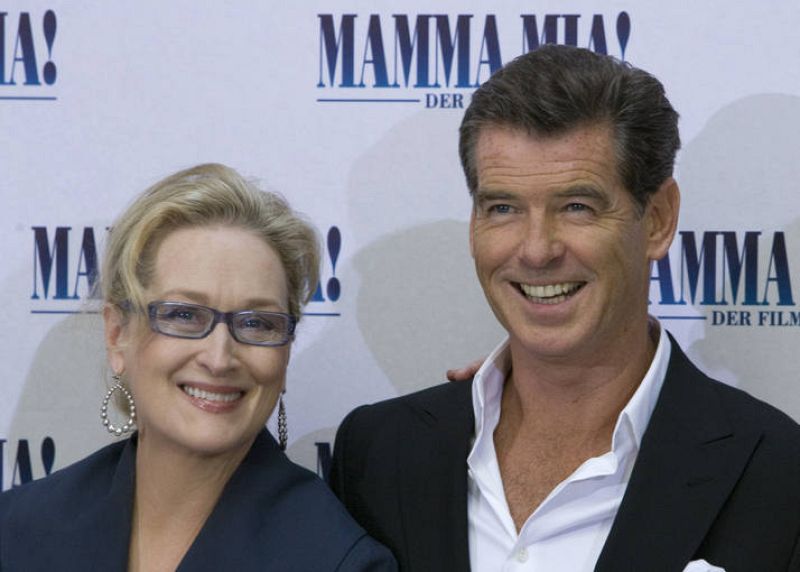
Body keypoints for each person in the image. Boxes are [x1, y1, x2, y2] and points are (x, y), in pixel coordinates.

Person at [330, 45, 800, 571]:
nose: (537, 250)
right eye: (503, 208)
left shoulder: (778, 475)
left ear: (658, 220)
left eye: (577, 207)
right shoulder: (378, 453)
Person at [0, 164, 396, 571]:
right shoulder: (16, 531)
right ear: (118, 335)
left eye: (256, 323)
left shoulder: (339, 561)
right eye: (184, 315)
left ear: (286, 351)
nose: (219, 358)